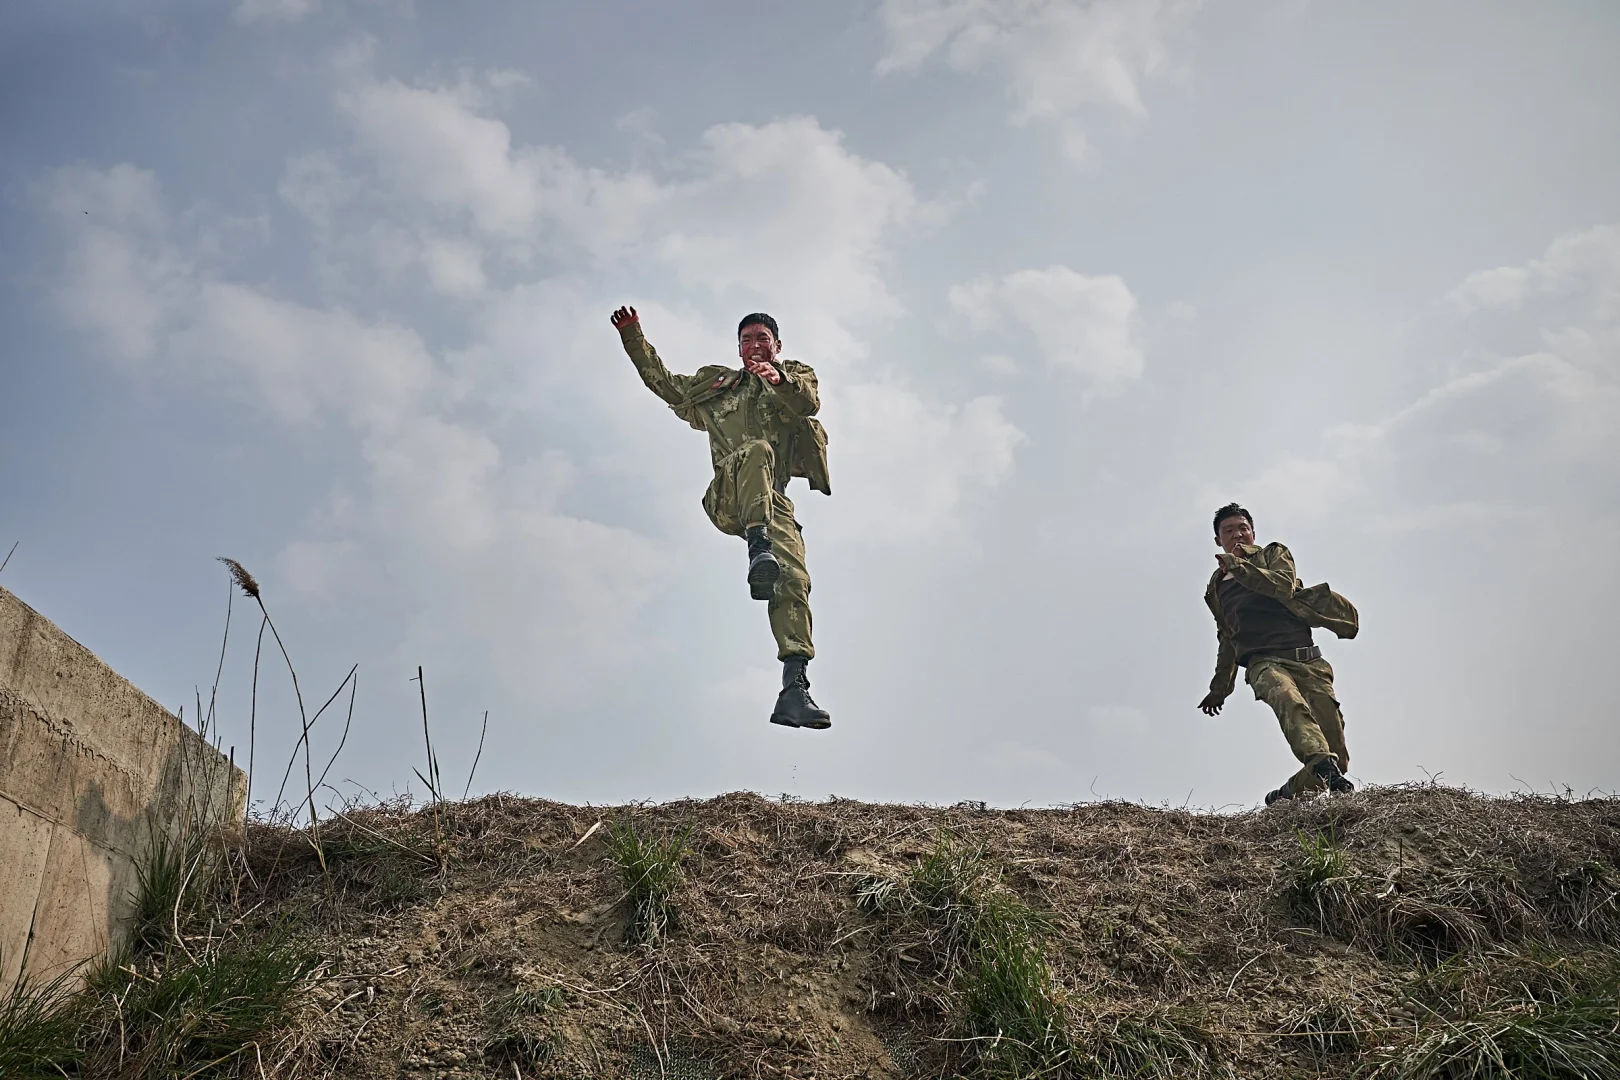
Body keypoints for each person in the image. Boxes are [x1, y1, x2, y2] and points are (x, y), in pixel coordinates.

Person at [611, 305, 832, 729]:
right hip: (729, 493)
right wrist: (633, 335)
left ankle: (794, 690)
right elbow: (666, 385)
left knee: (795, 581)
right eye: (747, 340)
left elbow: (808, 400)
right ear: (738, 347)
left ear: (777, 346)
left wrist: (779, 379)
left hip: (773, 502)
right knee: (756, 451)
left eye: (762, 340)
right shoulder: (720, 387)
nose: (754, 346)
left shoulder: (794, 377)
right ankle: (758, 547)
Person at [1198, 503, 1361, 805]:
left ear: (1253, 533)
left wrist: (1240, 567)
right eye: (1228, 531)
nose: (1237, 535)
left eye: (1242, 529)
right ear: (1218, 541)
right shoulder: (1217, 589)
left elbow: (1282, 587)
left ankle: (1287, 794)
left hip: (1308, 660)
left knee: (1337, 758)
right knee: (1289, 701)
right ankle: (1320, 764)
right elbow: (1227, 638)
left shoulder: (1273, 555)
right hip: (1264, 663)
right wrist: (1219, 689)